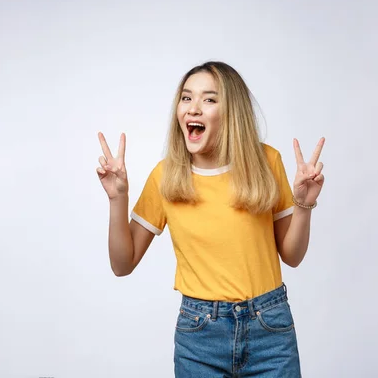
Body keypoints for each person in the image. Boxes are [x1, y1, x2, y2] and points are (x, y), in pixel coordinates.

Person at [96, 61, 325, 377]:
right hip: (200, 336)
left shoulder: (266, 162)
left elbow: (293, 256)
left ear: (232, 113)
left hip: (269, 328)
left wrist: (303, 205)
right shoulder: (166, 176)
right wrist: (116, 198)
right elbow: (122, 265)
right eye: (187, 98)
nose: (193, 108)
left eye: (209, 99)